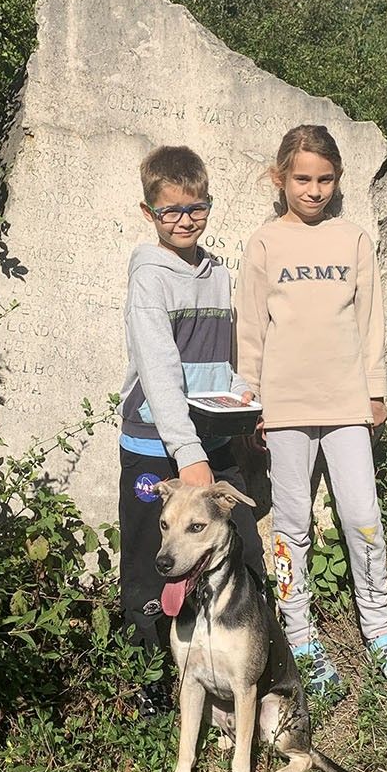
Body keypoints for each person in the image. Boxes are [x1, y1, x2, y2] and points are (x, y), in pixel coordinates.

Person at [237, 124, 387, 693]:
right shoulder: (265, 242)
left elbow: (370, 322)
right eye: (302, 179)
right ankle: (302, 638)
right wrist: (253, 400)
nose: (313, 190)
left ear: (338, 181)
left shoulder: (354, 240)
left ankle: (381, 629)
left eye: (325, 179)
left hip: (346, 404)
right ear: (280, 178)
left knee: (363, 516)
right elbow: (251, 329)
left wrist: (375, 388)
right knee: (291, 527)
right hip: (285, 406)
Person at [118, 144, 265, 718]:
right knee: (151, 562)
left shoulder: (218, 274)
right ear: (148, 211)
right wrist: (185, 456)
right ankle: (152, 683)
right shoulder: (150, 278)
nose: (185, 220)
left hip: (211, 441)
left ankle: (243, 665)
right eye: (171, 211)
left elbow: (226, 360)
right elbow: (158, 372)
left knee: (241, 548)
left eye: (196, 208)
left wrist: (246, 413)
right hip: (158, 448)